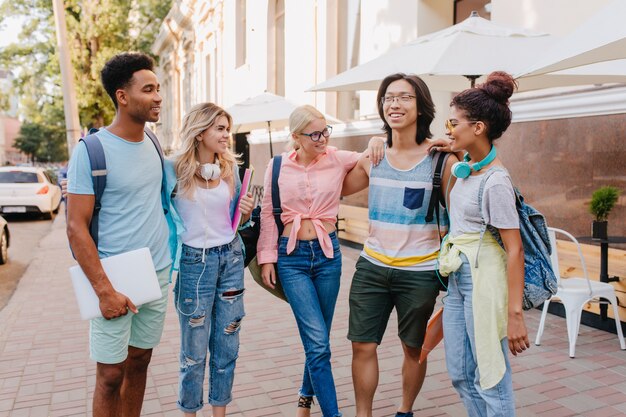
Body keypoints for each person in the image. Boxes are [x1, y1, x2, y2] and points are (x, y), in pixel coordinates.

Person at [340, 73, 457, 417]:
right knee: (361, 344)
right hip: (372, 267)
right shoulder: (373, 158)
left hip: (420, 273)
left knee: (413, 348)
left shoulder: (442, 161)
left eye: (405, 97)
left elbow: (463, 214)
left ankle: (405, 409)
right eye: (389, 97)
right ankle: (364, 414)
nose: (395, 104)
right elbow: (335, 184)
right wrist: (366, 146)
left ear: (421, 107)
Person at [257, 105, 384, 417]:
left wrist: (376, 140)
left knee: (319, 340)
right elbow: (267, 214)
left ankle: (304, 397)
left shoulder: (337, 158)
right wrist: (267, 258)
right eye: (315, 133)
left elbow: (369, 157)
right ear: (296, 137)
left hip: (328, 257)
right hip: (292, 259)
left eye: (326, 130)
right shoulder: (276, 166)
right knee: (317, 343)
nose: (323, 137)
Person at [66, 52, 171, 417]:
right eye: (148, 89)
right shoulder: (91, 151)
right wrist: (104, 290)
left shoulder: (155, 144)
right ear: (122, 96)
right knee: (110, 374)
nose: (158, 96)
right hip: (113, 279)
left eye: (159, 88)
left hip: (157, 272)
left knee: (140, 361)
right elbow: (75, 226)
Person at [437, 71, 529, 417]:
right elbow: (468, 155)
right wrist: (452, 146)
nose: (448, 129)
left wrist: (515, 314)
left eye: (453, 122)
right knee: (461, 374)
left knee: (491, 376)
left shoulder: (495, 183)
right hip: (459, 279)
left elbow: (514, 249)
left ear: (478, 127)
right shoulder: (468, 167)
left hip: (484, 281)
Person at [164, 102, 254, 417]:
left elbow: (237, 224)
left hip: (229, 258)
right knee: (193, 351)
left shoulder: (231, 170)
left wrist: (244, 215)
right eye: (220, 129)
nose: (227, 135)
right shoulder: (172, 169)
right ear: (200, 132)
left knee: (227, 343)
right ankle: (189, 412)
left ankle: (220, 413)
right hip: (193, 263)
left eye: (228, 129)